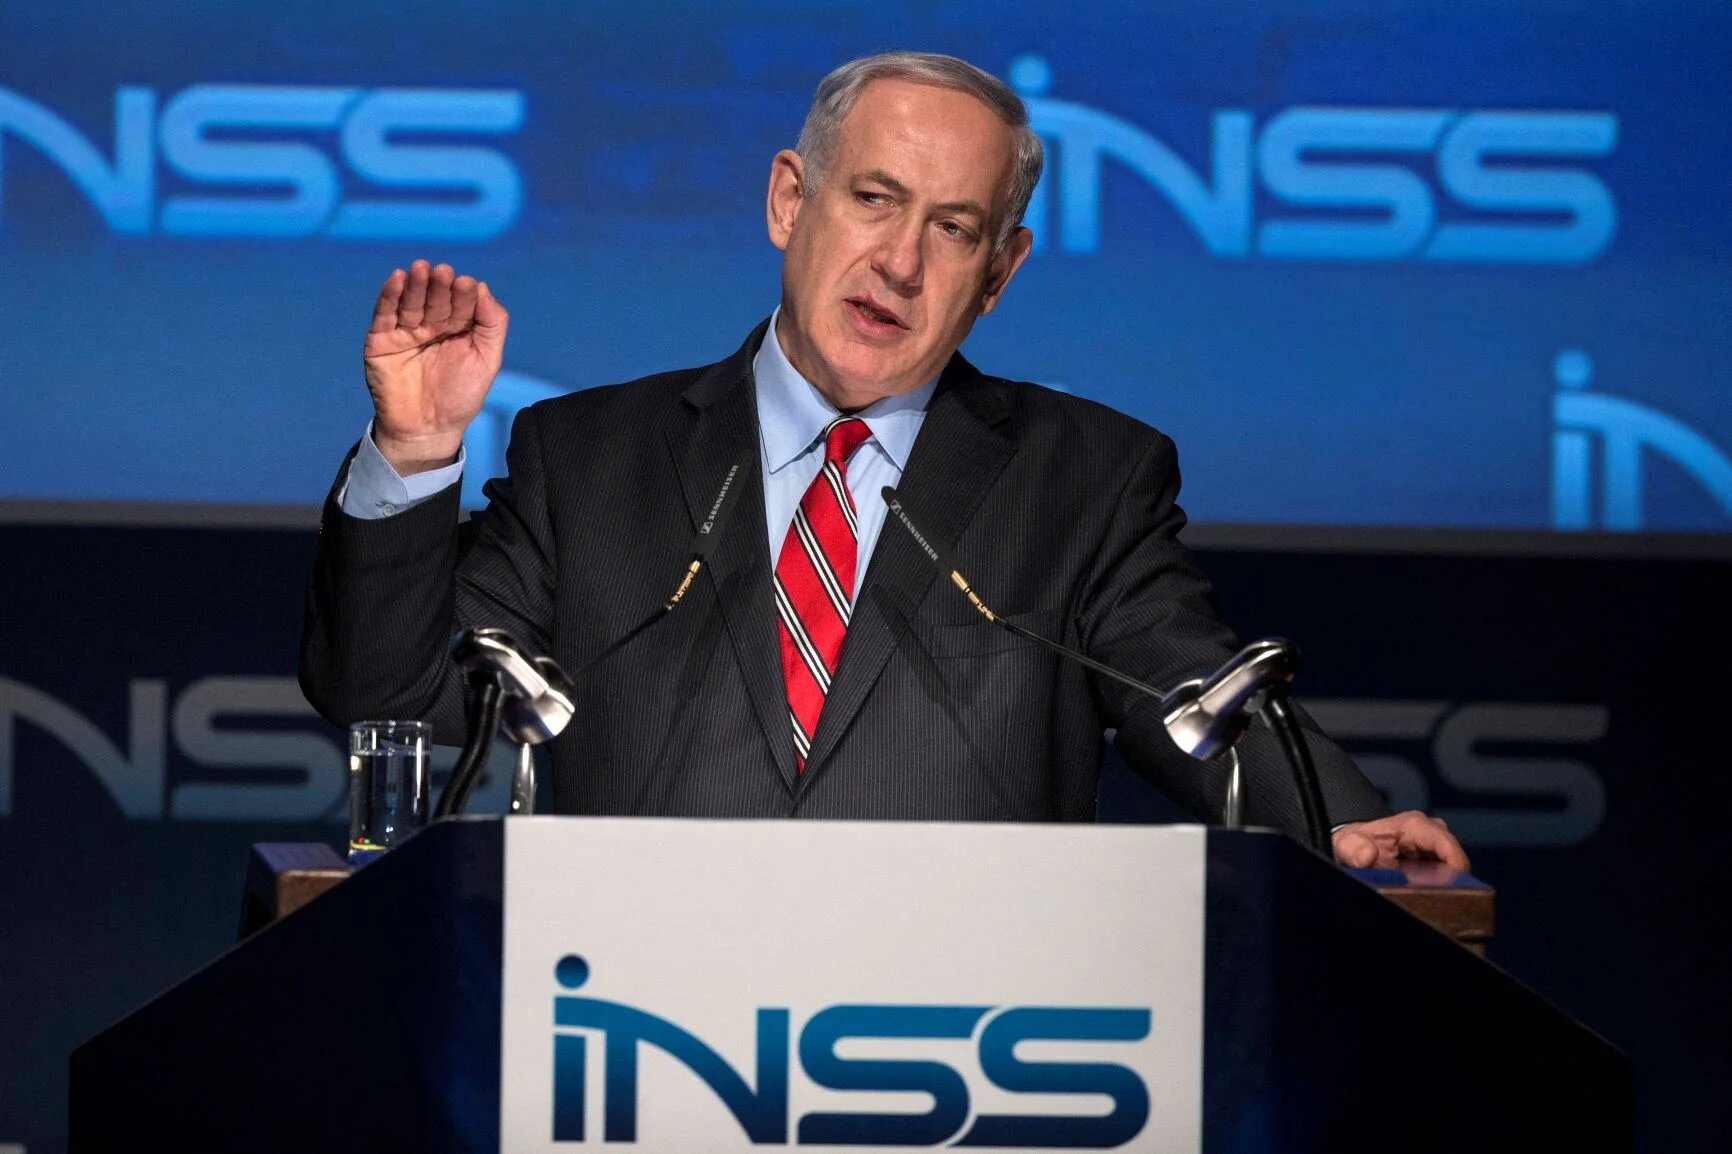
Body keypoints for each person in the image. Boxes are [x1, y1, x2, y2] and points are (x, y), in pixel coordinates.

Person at [300, 51, 1466, 870]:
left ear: (998, 273)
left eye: (952, 229)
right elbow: (389, 702)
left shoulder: (1082, 478)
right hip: (629, 1029)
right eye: (873, 199)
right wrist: (415, 449)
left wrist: (1341, 822)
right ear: (788, 200)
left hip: (964, 1048)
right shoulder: (590, 456)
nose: (900, 262)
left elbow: (1193, 694)